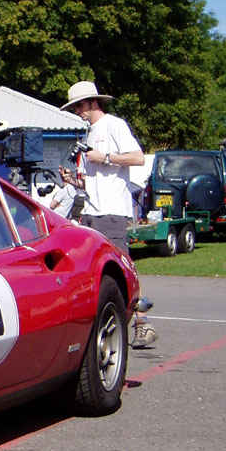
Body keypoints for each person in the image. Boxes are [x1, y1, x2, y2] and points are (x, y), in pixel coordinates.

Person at [59, 80, 157, 349]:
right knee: (99, 272)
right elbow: (92, 181)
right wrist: (72, 180)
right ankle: (110, 324)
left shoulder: (114, 124)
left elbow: (137, 157)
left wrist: (106, 157)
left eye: (79, 105)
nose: (78, 111)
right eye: (74, 107)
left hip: (112, 211)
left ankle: (142, 323)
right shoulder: (88, 134)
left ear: (92, 102)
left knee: (121, 268)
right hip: (91, 211)